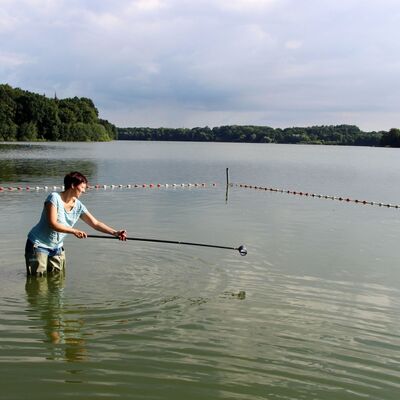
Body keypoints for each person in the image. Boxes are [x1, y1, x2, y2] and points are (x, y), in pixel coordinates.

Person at [25, 171, 127, 276]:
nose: (84, 191)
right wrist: (74, 231)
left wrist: (115, 233)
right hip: (38, 244)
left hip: (57, 247)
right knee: (38, 283)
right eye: (82, 187)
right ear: (73, 185)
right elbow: (53, 224)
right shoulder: (54, 198)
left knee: (57, 282)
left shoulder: (78, 206)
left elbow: (95, 223)